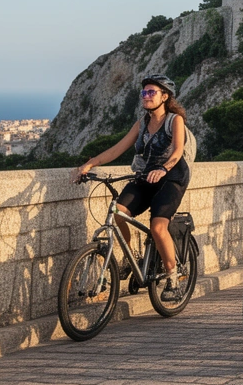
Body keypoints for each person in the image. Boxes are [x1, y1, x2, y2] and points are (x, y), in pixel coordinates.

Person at [74, 74, 189, 302]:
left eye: (151, 93)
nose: (145, 97)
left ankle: (172, 278)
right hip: (146, 177)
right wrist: (90, 164)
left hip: (171, 177)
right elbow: (117, 149)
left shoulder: (174, 120)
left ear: (164, 97)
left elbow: (177, 151)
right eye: (143, 93)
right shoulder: (142, 123)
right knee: (118, 211)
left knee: (157, 228)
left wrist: (164, 169)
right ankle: (131, 257)